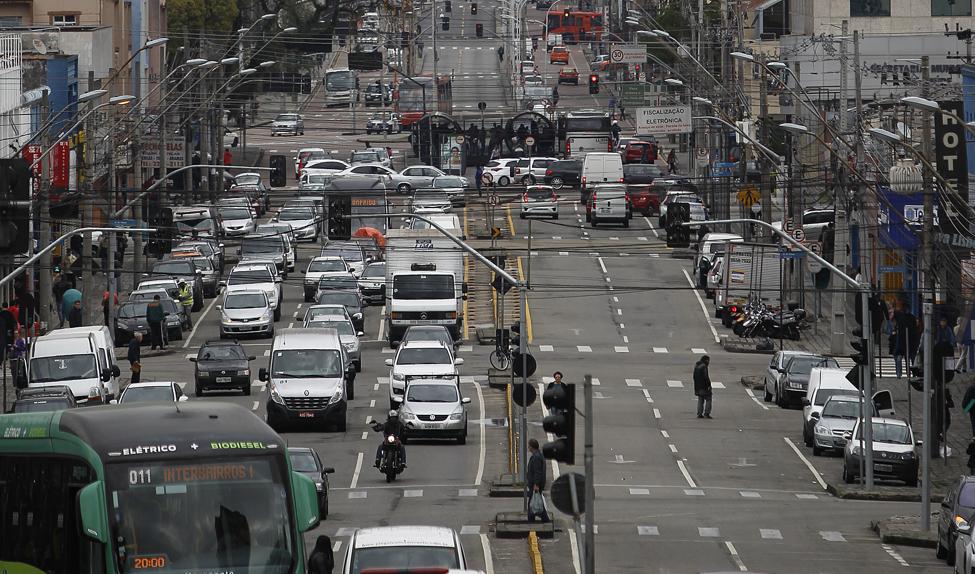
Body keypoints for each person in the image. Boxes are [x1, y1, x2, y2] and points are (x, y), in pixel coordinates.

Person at [526, 438, 549, 522]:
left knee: (532, 504)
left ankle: (532, 522)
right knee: (535, 502)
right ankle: (543, 520)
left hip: (535, 485)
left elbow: (537, 472)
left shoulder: (536, 457)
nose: (528, 447)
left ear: (532, 447)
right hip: (535, 484)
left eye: (529, 446)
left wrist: (536, 484)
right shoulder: (538, 455)